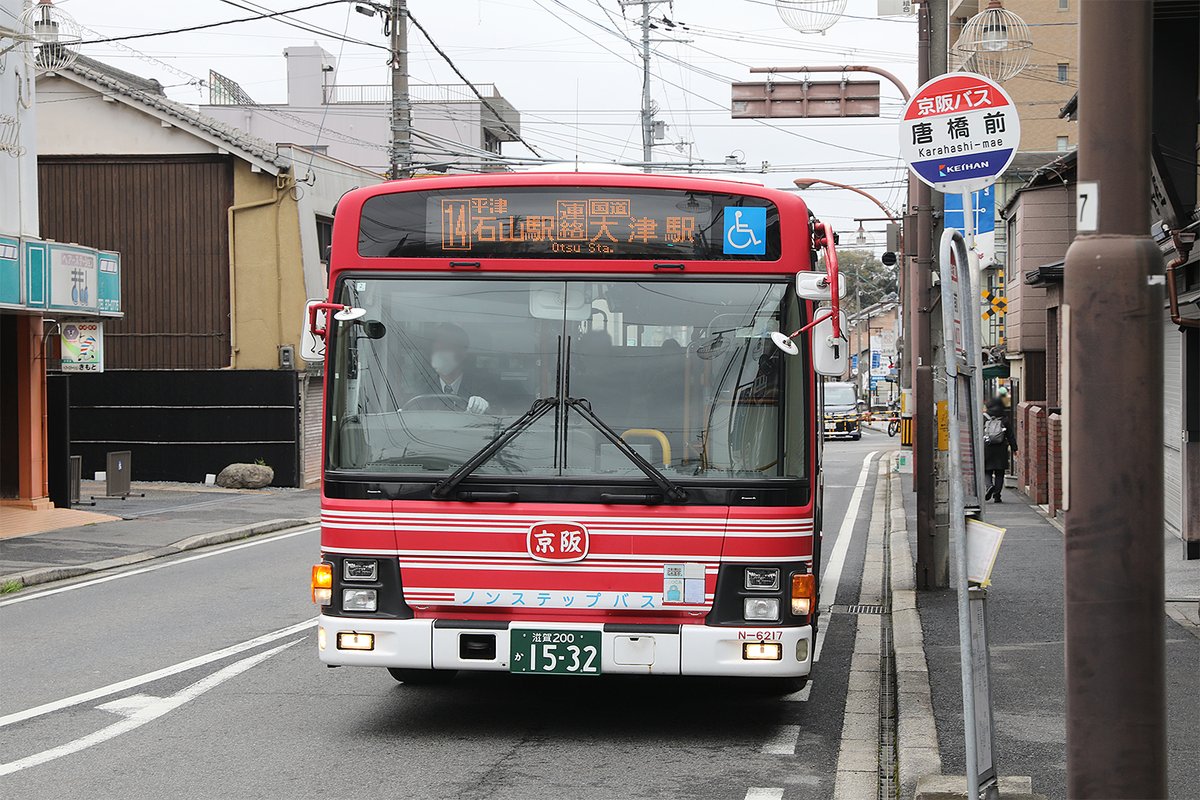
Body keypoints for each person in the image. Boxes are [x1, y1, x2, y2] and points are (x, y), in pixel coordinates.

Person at [425, 323, 501, 414]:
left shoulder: (484, 385)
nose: (440, 356)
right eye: (436, 350)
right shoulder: (423, 388)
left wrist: (486, 407)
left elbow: (501, 413)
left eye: (446, 349)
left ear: (463, 353)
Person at [983, 397, 1017, 503]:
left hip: (987, 447)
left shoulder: (984, 417)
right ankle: (997, 496)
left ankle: (989, 486)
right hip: (1001, 449)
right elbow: (1010, 435)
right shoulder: (1004, 418)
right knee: (999, 473)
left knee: (986, 470)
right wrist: (1014, 448)